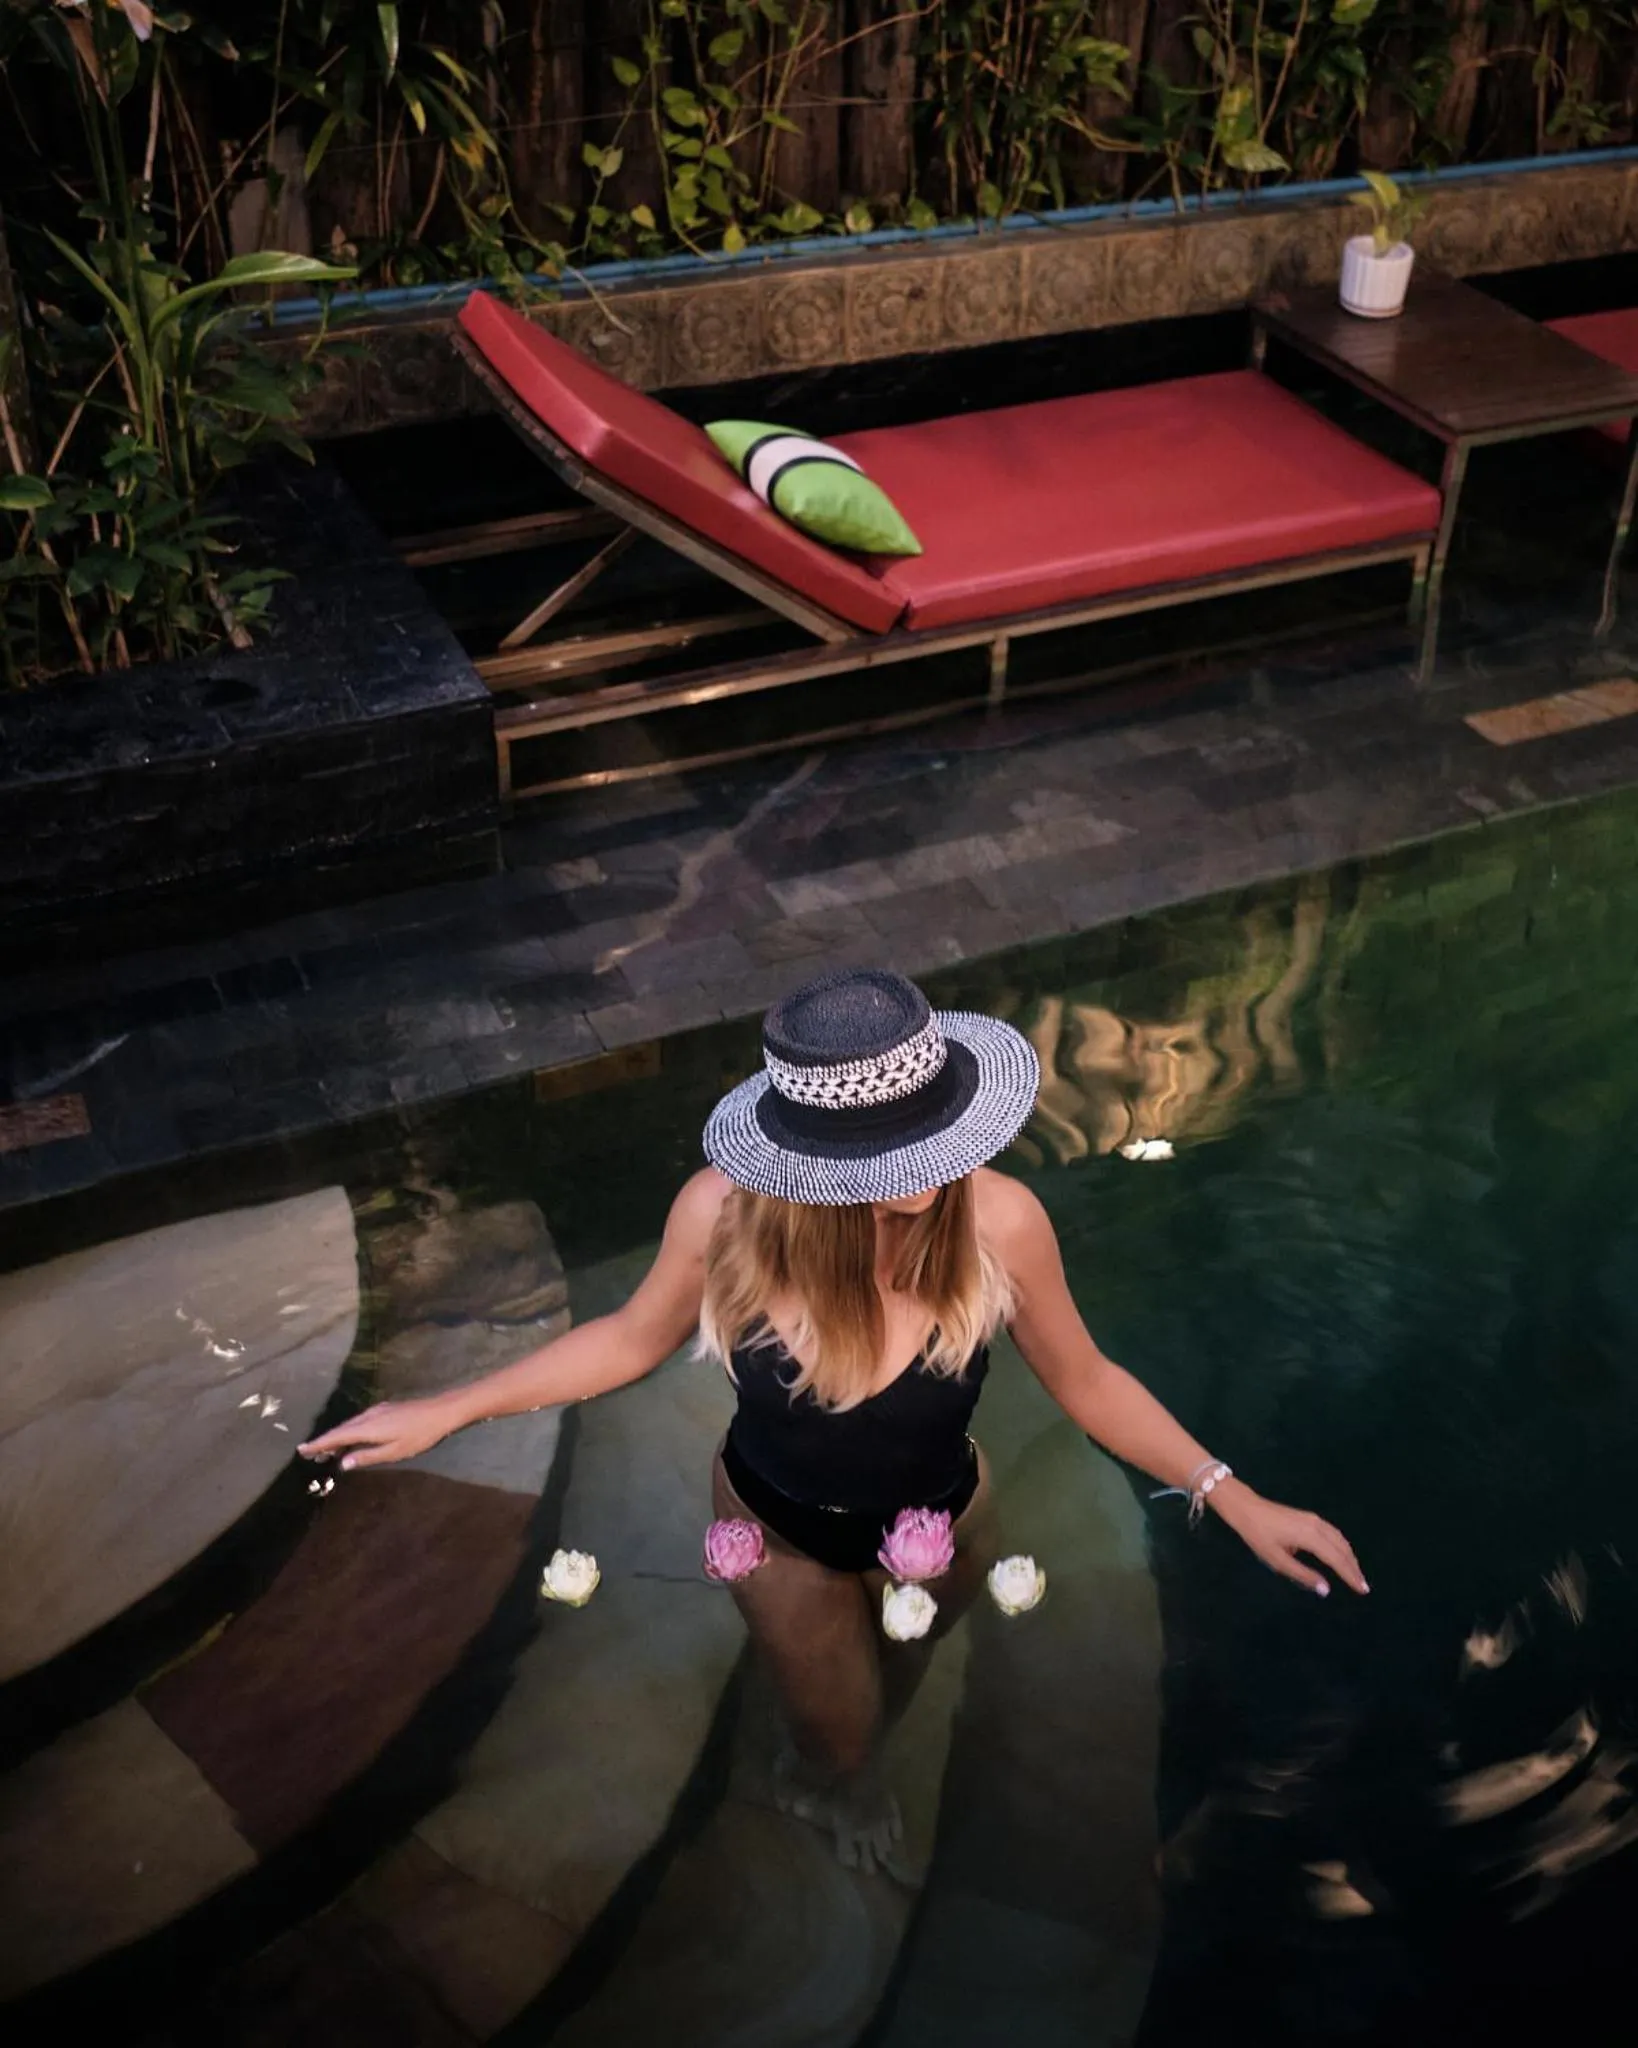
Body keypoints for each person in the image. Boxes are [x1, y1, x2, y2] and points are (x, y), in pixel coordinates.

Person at [301, 969, 1367, 1872]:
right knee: (847, 1736)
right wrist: (450, 1407)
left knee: (898, 1676)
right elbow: (629, 1340)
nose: (926, 1178)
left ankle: (838, 1748)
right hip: (778, 1526)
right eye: (889, 1160)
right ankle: (830, 1784)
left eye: (933, 1141)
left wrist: (1235, 1495)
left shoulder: (999, 1217)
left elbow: (1088, 1382)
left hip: (945, 1512)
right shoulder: (721, 1215)